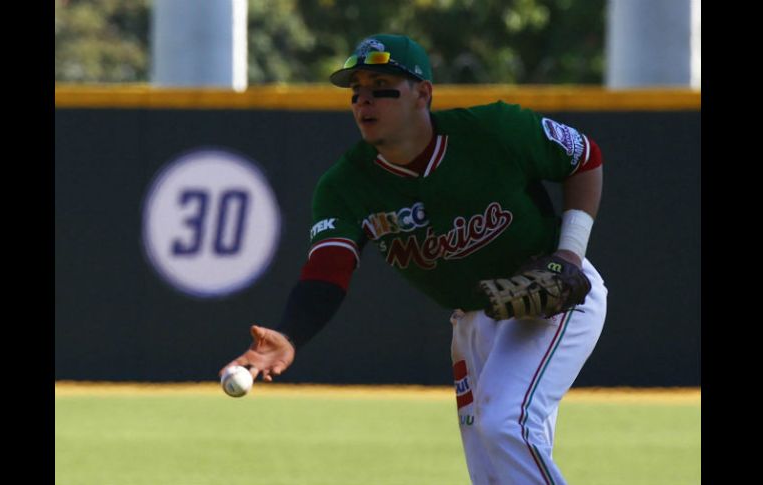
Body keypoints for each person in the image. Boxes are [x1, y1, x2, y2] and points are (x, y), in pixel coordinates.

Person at [220, 33, 607, 485]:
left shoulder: (492, 131)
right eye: (356, 90)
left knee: (505, 423)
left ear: (423, 93)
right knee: (493, 470)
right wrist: (290, 336)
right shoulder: (346, 186)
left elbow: (584, 156)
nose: (364, 99)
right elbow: (327, 271)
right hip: (471, 323)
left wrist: (569, 254)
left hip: (553, 298)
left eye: (382, 85)